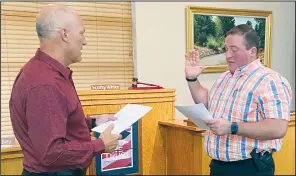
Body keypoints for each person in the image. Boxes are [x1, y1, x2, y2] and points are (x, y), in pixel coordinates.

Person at [9, 4, 122, 176]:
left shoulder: (45, 73)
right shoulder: (44, 84)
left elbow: (53, 125)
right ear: (65, 34)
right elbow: (51, 153)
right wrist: (101, 145)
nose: (85, 41)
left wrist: (91, 123)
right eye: (82, 33)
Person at [185, 24, 292, 175]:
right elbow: (207, 103)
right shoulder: (225, 77)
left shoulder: (270, 80)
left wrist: (232, 127)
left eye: (234, 50)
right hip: (218, 166)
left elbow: (278, 128)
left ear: (252, 51)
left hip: (250, 168)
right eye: (226, 49)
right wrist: (191, 78)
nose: (228, 55)